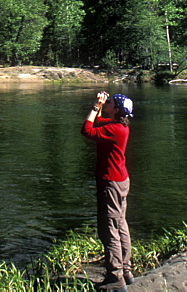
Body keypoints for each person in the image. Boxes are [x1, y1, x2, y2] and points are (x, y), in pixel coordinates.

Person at [81, 90, 134, 291]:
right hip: (121, 180)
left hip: (110, 182)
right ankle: (126, 270)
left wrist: (95, 106)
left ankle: (115, 277)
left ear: (117, 109)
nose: (108, 102)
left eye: (110, 102)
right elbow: (98, 121)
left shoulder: (114, 129)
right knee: (121, 224)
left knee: (109, 228)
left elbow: (87, 129)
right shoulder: (118, 126)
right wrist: (101, 106)